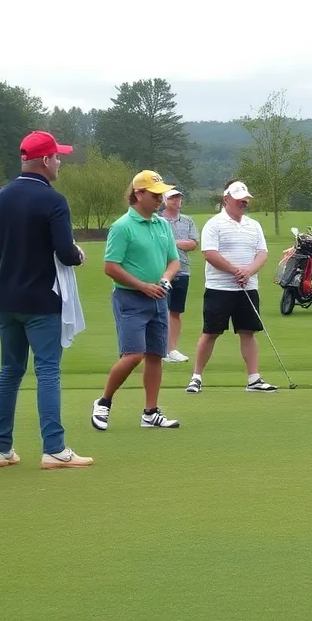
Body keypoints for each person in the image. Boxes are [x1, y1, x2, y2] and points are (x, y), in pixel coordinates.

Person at [0, 130, 93, 469]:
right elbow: (64, 251)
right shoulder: (54, 200)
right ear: (45, 160)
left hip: (6, 298)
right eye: (57, 157)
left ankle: (1, 449)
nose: (60, 162)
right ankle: (54, 448)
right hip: (42, 298)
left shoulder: (0, 196)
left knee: (9, 371)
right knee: (47, 370)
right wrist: (77, 254)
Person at [91, 170, 181, 430]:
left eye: (161, 194)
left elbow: (174, 261)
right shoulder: (122, 226)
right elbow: (111, 266)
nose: (160, 199)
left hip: (158, 297)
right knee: (133, 355)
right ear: (138, 194)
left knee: (155, 354)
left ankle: (150, 412)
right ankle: (104, 402)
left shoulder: (162, 224)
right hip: (130, 298)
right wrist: (143, 286)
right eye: (154, 195)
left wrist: (165, 279)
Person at [186, 180, 277, 394]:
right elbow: (209, 253)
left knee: (248, 332)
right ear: (226, 199)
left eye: (245, 199)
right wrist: (235, 270)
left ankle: (254, 378)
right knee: (211, 332)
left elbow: (262, 253)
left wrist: (248, 271)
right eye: (238, 199)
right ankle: (196, 377)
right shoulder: (214, 224)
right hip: (219, 288)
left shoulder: (253, 225)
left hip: (247, 287)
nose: (243, 202)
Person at [159, 189, 199, 364]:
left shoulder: (188, 221)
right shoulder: (158, 220)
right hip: (161, 271)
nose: (177, 201)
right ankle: (160, 349)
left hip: (183, 270)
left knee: (175, 311)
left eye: (178, 197)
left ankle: (172, 349)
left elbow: (193, 244)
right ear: (164, 200)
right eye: (172, 198)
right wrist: (180, 244)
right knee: (160, 311)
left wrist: (172, 243)